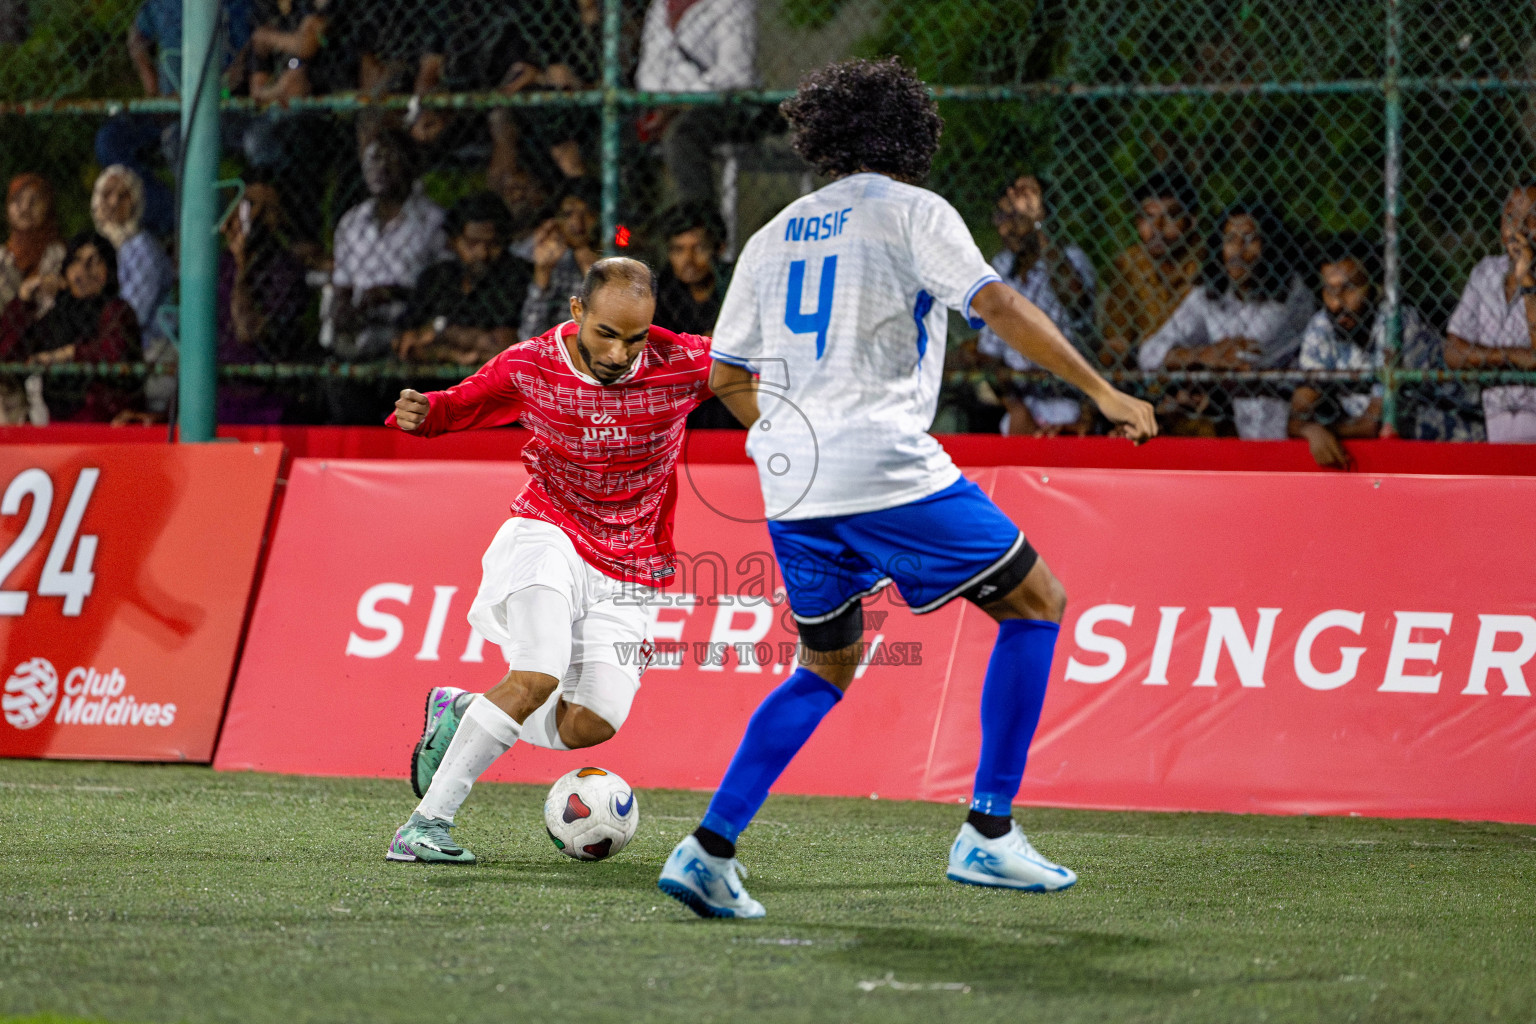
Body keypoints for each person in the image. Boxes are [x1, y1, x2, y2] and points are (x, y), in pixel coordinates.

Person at [656, 57, 1156, 919]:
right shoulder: (914, 211)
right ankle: (989, 834)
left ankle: (708, 849)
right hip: (881, 461)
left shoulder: (775, 232)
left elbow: (728, 369)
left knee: (825, 662)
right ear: (907, 134)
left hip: (792, 478)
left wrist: (788, 440)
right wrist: (1100, 390)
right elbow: (993, 304)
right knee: (1037, 602)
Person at [383, 258, 713, 864]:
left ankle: (462, 713)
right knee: (538, 675)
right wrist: (425, 414)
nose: (619, 353)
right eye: (606, 334)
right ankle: (426, 826)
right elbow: (457, 405)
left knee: (591, 723)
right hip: (548, 530)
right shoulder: (531, 364)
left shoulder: (685, 363)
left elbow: (758, 379)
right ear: (577, 311)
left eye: (635, 338)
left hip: (632, 562)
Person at [1138, 201, 1314, 438]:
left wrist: (1196, 366)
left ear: (1270, 246)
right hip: (1228, 425)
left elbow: (1249, 356)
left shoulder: (1292, 294)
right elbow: (1148, 354)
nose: (1239, 251)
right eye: (1230, 239)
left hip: (1280, 426)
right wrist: (1203, 355)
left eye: (1251, 240)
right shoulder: (1210, 293)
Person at [1289, 236, 1456, 469]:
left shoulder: (1398, 324)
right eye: (1330, 289)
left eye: (1350, 288)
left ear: (1376, 288)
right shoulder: (1322, 326)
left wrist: (1322, 430)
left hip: (1451, 446)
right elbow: (1297, 416)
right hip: (1387, 456)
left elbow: (1372, 424)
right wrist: (1310, 429)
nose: (1338, 302)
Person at [976, 172, 1097, 436]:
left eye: (1017, 219)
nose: (1004, 229)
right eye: (1002, 217)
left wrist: (1038, 225)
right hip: (1020, 400)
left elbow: (1076, 302)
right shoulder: (1001, 267)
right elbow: (988, 353)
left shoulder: (1071, 260)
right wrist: (1016, 407)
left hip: (1069, 398)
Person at [326, 128, 447, 360]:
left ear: (411, 166)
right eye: (374, 158)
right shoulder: (352, 222)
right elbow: (342, 285)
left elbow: (443, 285)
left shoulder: (432, 220)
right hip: (361, 327)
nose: (381, 167)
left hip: (410, 325)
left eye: (391, 158)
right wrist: (343, 308)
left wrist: (392, 293)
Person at [0, 232, 141, 422]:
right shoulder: (58, 317)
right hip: (60, 429)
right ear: (66, 271)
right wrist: (24, 300)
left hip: (109, 426)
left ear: (109, 271)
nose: (84, 270)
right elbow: (8, 355)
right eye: (76, 261)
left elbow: (113, 352)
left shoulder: (117, 311)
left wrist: (67, 354)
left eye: (95, 261)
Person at [635, 0, 759, 204]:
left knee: (681, 136)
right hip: (665, 103)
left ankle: (699, 226)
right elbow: (647, 71)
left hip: (724, 104)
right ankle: (627, 234)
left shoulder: (733, 3)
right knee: (623, 137)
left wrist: (681, 99)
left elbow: (736, 73)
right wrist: (661, 102)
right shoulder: (660, 5)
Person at [1444, 184, 1536, 443]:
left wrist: (1527, 280)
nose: (1517, 227)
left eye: (1531, 218)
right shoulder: (1485, 272)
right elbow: (1452, 352)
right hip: (1493, 430)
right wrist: (1512, 356)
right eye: (1510, 216)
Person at [395, 192, 530, 366]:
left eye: (493, 244)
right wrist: (451, 354)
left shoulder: (518, 276)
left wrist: (440, 332)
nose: (483, 254)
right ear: (453, 242)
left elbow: (507, 346)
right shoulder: (437, 277)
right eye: (472, 244)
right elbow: (404, 342)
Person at [216, 178, 310, 423]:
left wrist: (242, 265)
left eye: (263, 209)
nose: (253, 216)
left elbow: (247, 330)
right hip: (218, 387)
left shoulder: (285, 270)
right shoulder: (218, 266)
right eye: (248, 206)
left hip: (265, 393)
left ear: (276, 218)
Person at [1102, 167, 1202, 369]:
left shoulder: (1207, 264)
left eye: (1171, 216)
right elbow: (1116, 340)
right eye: (1148, 216)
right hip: (1144, 378)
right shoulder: (1129, 265)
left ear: (1191, 222)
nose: (1157, 226)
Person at [91, 165, 175, 337]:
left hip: (153, 344)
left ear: (136, 202)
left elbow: (132, 315)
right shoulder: (102, 247)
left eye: (124, 196)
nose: (114, 202)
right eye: (107, 194)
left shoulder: (142, 248)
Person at [520, 183, 600, 340]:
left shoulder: (620, 254)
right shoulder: (551, 260)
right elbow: (529, 336)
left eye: (587, 213)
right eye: (568, 214)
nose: (578, 223)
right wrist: (542, 273)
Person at [0, 174, 65, 310]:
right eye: (17, 200)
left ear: (47, 208)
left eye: (34, 201)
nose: (24, 208)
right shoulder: (3, 257)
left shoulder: (58, 253)